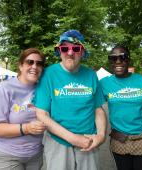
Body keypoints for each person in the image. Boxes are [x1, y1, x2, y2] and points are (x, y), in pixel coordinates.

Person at [32, 30, 107, 170]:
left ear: (82, 52)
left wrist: (101, 136)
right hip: (57, 142)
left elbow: (98, 109)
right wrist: (72, 138)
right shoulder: (48, 74)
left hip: (88, 140)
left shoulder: (91, 75)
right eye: (65, 48)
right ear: (59, 51)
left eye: (76, 48)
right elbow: (42, 114)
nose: (70, 53)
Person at [99, 45, 142, 170]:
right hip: (119, 141)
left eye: (122, 57)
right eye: (113, 58)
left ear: (128, 59)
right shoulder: (104, 83)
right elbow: (94, 108)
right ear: (110, 62)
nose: (118, 61)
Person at [0, 48, 46, 170]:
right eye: (30, 62)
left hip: (36, 155)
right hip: (8, 155)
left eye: (39, 63)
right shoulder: (4, 89)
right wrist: (27, 128)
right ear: (20, 66)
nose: (34, 66)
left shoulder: (44, 89)